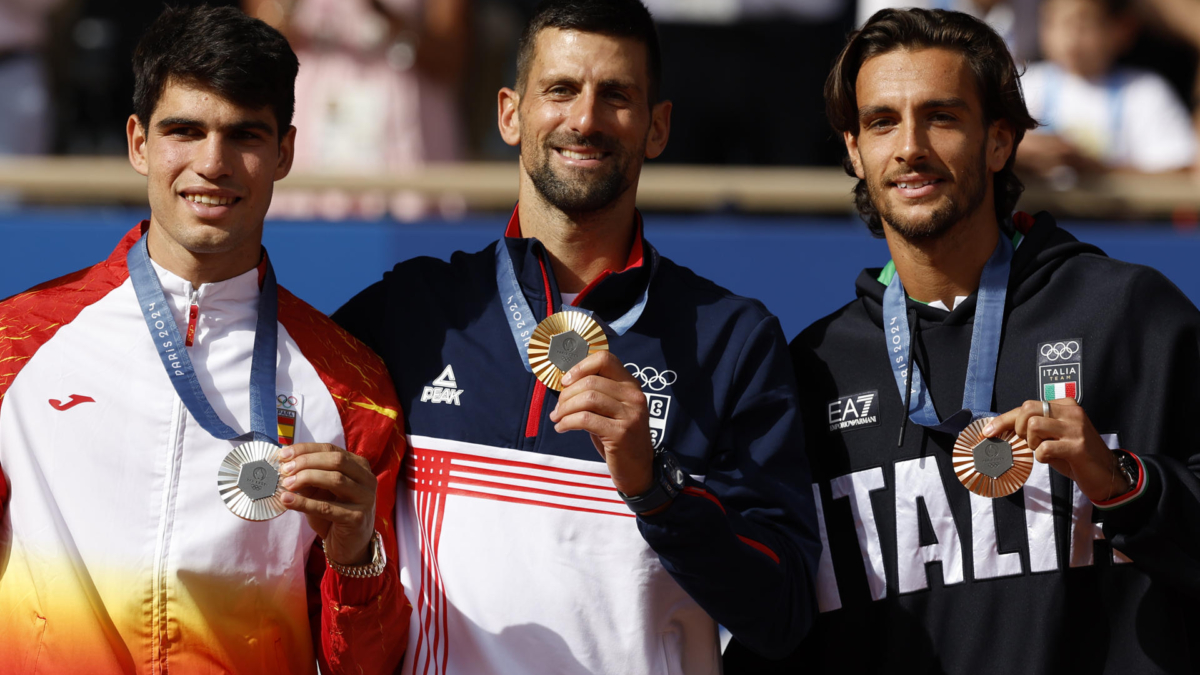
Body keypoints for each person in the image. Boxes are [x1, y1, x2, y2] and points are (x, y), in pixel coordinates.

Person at [332, 0, 821, 672]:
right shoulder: (411, 312)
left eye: (616, 96)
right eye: (560, 90)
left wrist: (657, 487)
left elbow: (784, 611)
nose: (585, 120)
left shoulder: (731, 340)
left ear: (658, 127)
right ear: (510, 113)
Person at [726, 8, 1200, 674]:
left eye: (942, 117)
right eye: (882, 121)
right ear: (854, 152)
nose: (911, 146)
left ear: (1000, 142)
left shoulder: (1127, 314)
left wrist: (1124, 483)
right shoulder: (816, 370)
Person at [0, 7, 409, 674]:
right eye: (184, 131)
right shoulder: (15, 342)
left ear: (285, 151)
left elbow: (364, 664)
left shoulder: (353, 388)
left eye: (244, 134)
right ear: (138, 142)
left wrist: (357, 556)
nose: (212, 164)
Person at [1018, 0, 1197, 180]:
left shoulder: (1145, 91)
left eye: (1082, 24)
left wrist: (1097, 169)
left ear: (1123, 29)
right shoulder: (1025, 83)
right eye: (1054, 22)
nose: (1068, 36)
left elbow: (1180, 169)